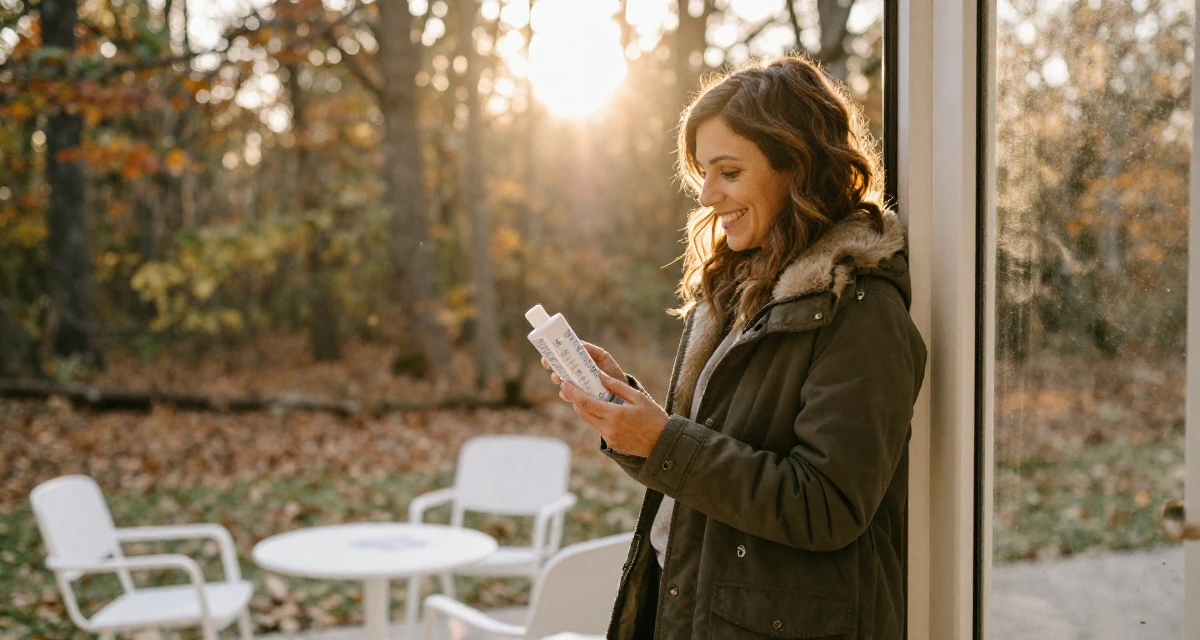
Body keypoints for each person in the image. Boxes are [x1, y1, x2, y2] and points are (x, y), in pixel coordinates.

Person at [542, 53, 927, 639]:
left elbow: (828, 506)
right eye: (702, 173)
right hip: (693, 611)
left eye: (728, 171)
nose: (706, 198)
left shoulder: (861, 311)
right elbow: (714, 453)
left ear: (794, 167)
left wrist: (664, 440)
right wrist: (633, 419)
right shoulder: (739, 294)